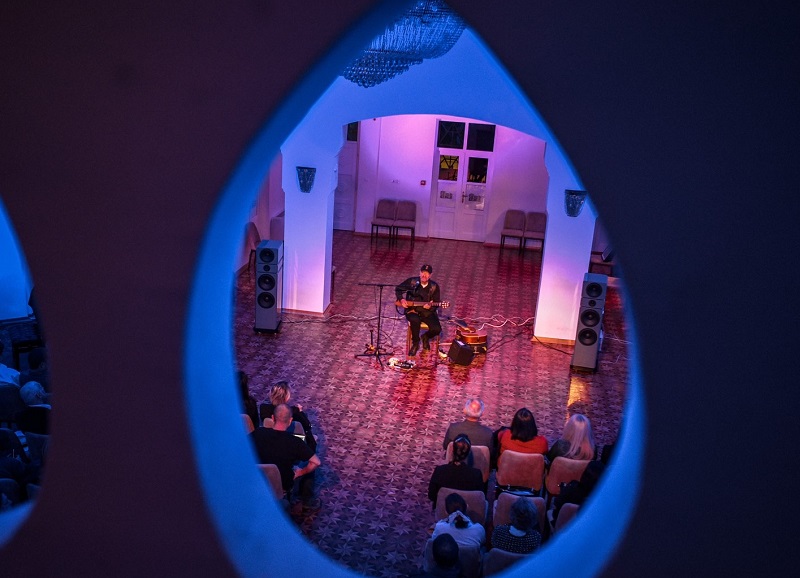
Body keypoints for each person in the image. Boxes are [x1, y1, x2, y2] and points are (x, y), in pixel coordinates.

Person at [249, 403, 321, 512]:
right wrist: (300, 472)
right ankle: (307, 502)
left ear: (272, 418)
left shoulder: (258, 432)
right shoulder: (295, 442)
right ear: (290, 421)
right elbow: (316, 462)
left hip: (257, 480)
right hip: (281, 485)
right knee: (308, 464)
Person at [396, 264, 442, 356]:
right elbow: (398, 289)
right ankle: (415, 343)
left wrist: (430, 306)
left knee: (437, 329)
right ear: (419, 273)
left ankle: (425, 337)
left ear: (430, 275)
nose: (424, 275)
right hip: (412, 310)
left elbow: (436, 302)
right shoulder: (412, 282)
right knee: (415, 320)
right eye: (422, 272)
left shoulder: (434, 286)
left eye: (427, 273)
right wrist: (402, 299)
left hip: (427, 312)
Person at [428, 434, 483, 509]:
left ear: (452, 451)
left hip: (443, 510)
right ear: (468, 454)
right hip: (467, 511)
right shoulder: (476, 474)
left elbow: (431, 496)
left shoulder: (440, 471)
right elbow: (479, 498)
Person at [258, 380, 316, 451]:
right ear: (287, 397)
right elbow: (307, 426)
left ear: (271, 394)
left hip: (270, 445)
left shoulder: (263, 408)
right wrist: (301, 412)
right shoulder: (294, 412)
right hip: (292, 446)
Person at [552, 460, 606, 525]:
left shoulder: (572, 488)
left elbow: (557, 502)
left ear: (584, 474)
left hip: (561, 525)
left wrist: (563, 490)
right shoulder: (601, 503)